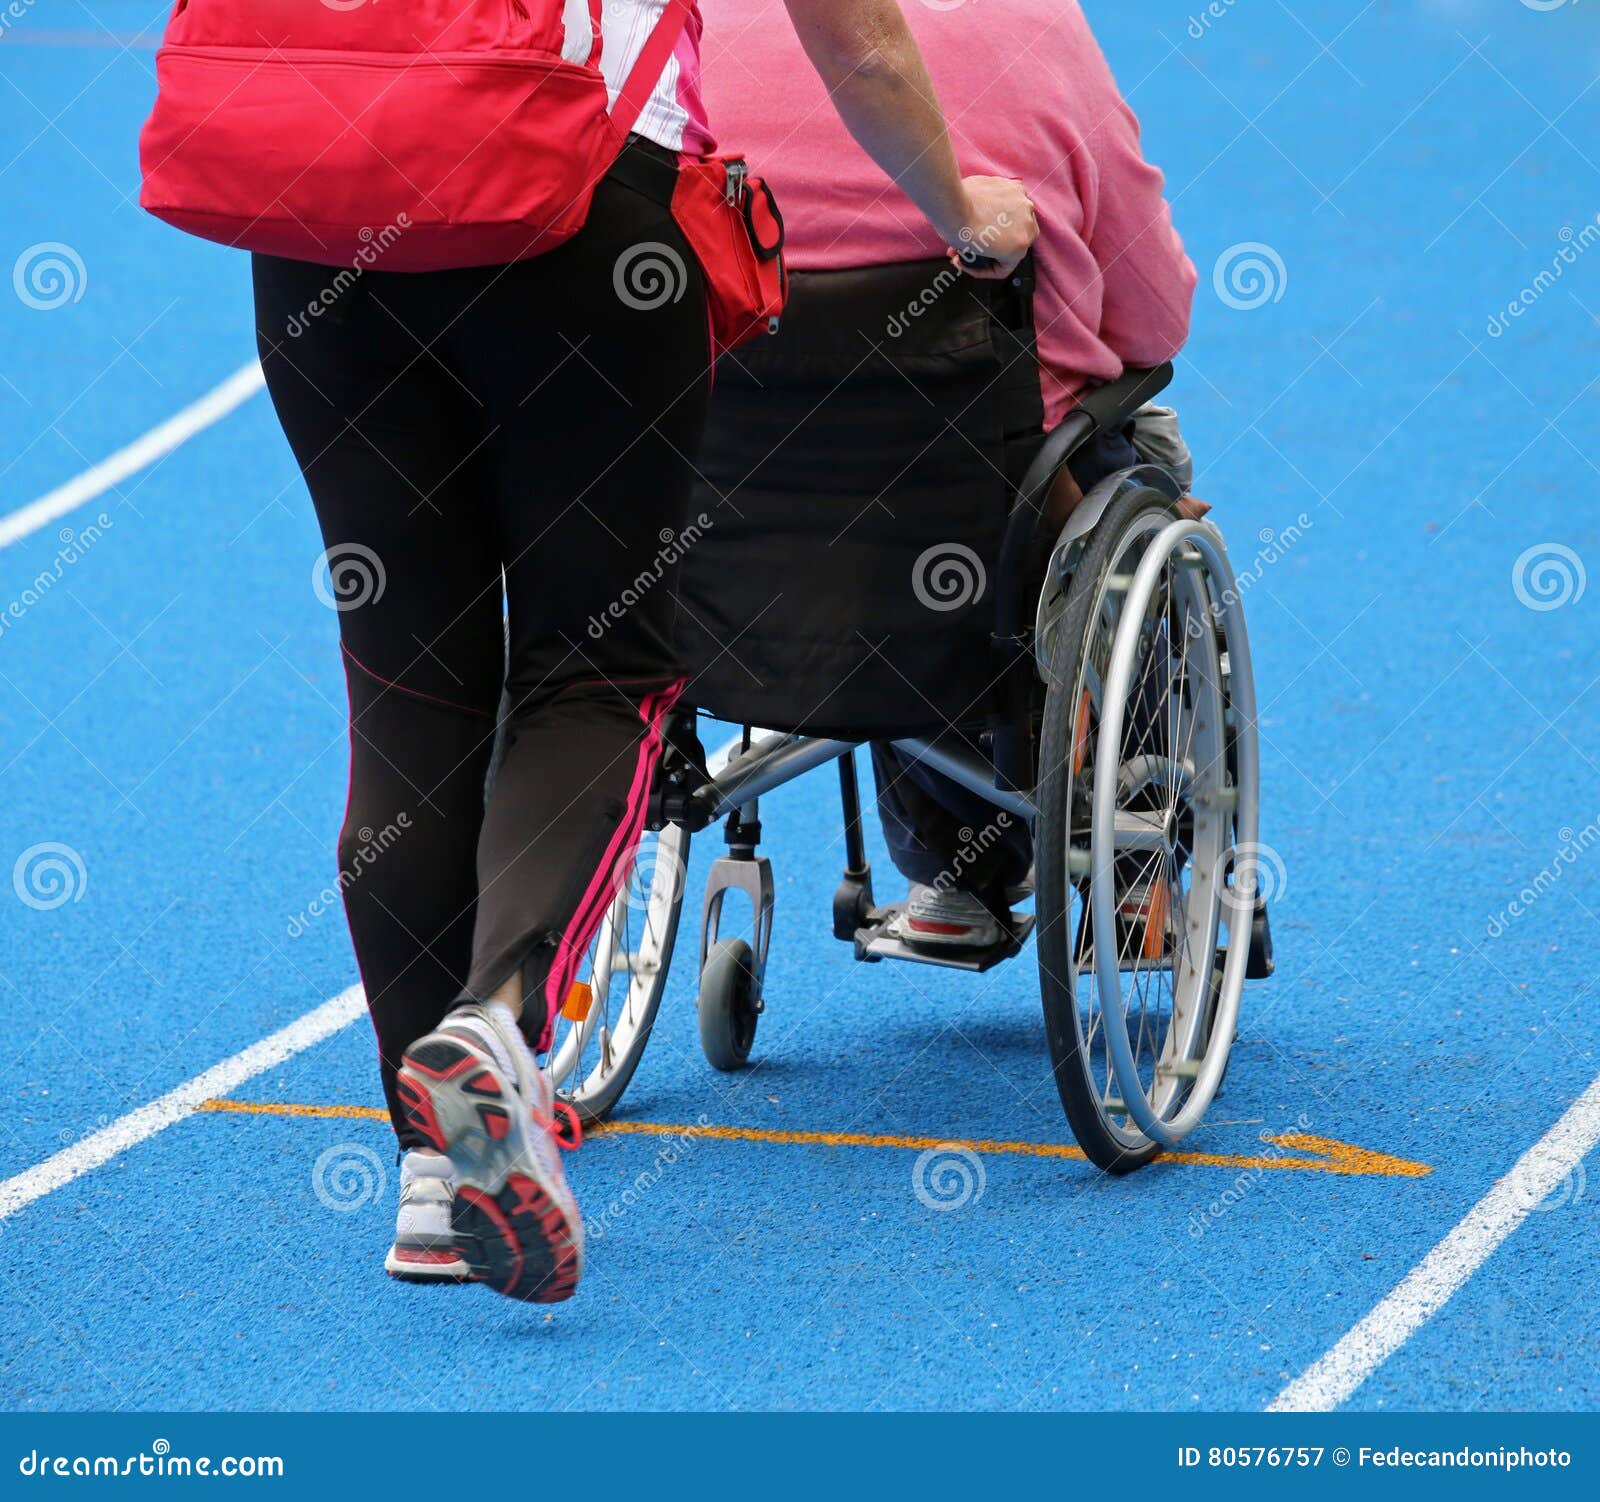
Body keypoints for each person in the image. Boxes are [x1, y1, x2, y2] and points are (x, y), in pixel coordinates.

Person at [250, 0, 1037, 1303]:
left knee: (407, 683)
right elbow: (859, 38)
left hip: (320, 209)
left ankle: (435, 1184)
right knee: (596, 665)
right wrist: (960, 210)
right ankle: (497, 1018)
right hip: (576, 204)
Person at [698, 0, 1201, 949]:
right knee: (1123, 467)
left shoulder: (693, 34)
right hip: (977, 511)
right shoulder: (1035, 27)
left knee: (888, 479)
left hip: (726, 505)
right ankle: (1129, 863)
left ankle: (953, 867)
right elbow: (1154, 316)